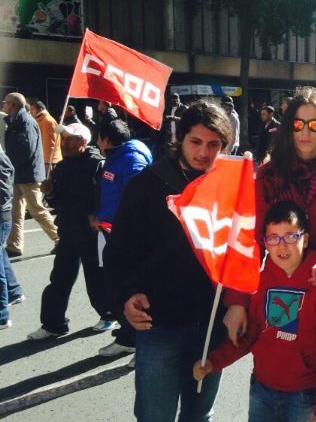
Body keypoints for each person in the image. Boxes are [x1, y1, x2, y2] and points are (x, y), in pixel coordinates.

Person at [225, 86, 316, 421]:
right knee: (283, 386)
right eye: (298, 124)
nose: (306, 132)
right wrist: (237, 301)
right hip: (284, 295)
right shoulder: (269, 175)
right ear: (288, 126)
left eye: (315, 124)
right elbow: (250, 241)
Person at [104, 101, 233, 422]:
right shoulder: (147, 185)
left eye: (214, 144)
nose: (204, 152)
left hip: (211, 324)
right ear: (180, 138)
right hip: (159, 323)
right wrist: (126, 295)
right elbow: (118, 251)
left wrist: (240, 305)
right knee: (154, 416)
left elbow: (246, 249)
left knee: (199, 415)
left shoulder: (232, 188)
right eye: (196, 141)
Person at [194, 202, 316, 422]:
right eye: (273, 238)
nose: (282, 246)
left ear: (305, 239)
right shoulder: (260, 282)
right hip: (261, 390)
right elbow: (249, 336)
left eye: (291, 236)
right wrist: (213, 361)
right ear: (265, 243)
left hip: (303, 396)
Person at [26, 123, 116, 340]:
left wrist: (97, 214)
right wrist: (49, 193)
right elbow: (57, 201)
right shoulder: (61, 167)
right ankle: (53, 324)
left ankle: (109, 314)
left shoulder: (97, 164)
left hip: (91, 233)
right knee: (59, 279)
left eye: (70, 139)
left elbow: (107, 196)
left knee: (96, 278)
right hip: (68, 231)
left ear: (83, 142)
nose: (64, 144)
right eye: (64, 139)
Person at [93, 119, 152, 357]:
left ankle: (141, 345)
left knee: (128, 288)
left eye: (98, 137)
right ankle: (129, 337)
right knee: (117, 286)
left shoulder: (131, 160)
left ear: (106, 140)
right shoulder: (117, 156)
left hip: (126, 235)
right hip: (111, 230)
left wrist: (121, 224)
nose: (96, 142)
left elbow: (139, 198)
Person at [2, 92, 59, 257]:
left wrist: (9, 164)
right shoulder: (15, 120)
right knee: (15, 212)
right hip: (19, 174)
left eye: (6, 102)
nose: (4, 105)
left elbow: (26, 151)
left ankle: (60, 239)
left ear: (13, 105)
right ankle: (14, 245)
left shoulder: (25, 122)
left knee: (37, 210)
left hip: (29, 175)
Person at [0, 148, 21, 329]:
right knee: (1, 255)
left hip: (1, 216)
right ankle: (14, 291)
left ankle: (2, 315)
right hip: (3, 215)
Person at [29, 101, 62, 173]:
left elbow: (51, 142)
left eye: (32, 109)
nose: (30, 112)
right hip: (45, 159)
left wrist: (47, 160)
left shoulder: (48, 121)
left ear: (40, 109)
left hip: (49, 160)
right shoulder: (40, 120)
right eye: (30, 109)